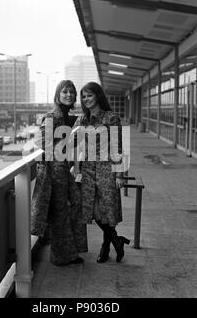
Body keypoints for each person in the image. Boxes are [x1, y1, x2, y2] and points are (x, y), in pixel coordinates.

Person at [72, 81, 130, 264]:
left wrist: (120, 174)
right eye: (83, 96)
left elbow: (119, 147)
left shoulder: (111, 118)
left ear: (98, 96)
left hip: (107, 169)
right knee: (93, 210)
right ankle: (116, 240)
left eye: (89, 95)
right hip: (88, 169)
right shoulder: (82, 119)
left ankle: (106, 247)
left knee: (107, 210)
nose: (86, 99)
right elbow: (72, 143)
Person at [31, 80, 88, 266]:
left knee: (74, 204)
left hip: (64, 170)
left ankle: (68, 251)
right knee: (61, 211)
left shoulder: (65, 116)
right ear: (58, 94)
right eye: (65, 91)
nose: (69, 95)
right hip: (55, 172)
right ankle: (62, 256)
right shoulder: (52, 115)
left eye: (72, 92)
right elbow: (39, 142)